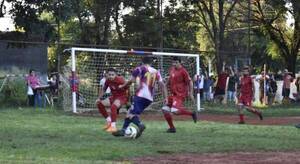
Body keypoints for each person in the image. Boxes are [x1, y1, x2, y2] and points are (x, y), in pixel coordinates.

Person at [112, 56, 168, 138]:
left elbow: (131, 81)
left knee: (131, 114)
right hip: (149, 98)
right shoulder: (156, 71)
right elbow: (162, 85)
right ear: (151, 63)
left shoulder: (139, 69)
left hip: (140, 96)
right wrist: (165, 97)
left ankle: (139, 125)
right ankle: (124, 130)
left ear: (142, 62)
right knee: (131, 112)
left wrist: (122, 86)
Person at [162, 57, 197, 133]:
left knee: (175, 111)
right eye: (173, 62)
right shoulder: (172, 70)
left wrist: (190, 93)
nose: (174, 64)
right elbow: (167, 82)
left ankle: (192, 114)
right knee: (165, 110)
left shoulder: (183, 71)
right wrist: (166, 97)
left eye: (176, 62)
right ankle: (172, 128)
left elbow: (190, 82)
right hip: (173, 95)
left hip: (180, 95)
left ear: (180, 63)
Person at [96, 68, 129, 133]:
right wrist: (99, 98)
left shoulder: (120, 80)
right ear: (107, 75)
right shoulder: (107, 80)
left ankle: (113, 127)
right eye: (109, 75)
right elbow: (104, 90)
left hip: (122, 97)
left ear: (115, 75)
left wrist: (128, 100)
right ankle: (109, 122)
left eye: (112, 75)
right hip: (113, 97)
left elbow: (128, 88)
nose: (111, 76)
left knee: (113, 107)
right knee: (99, 103)